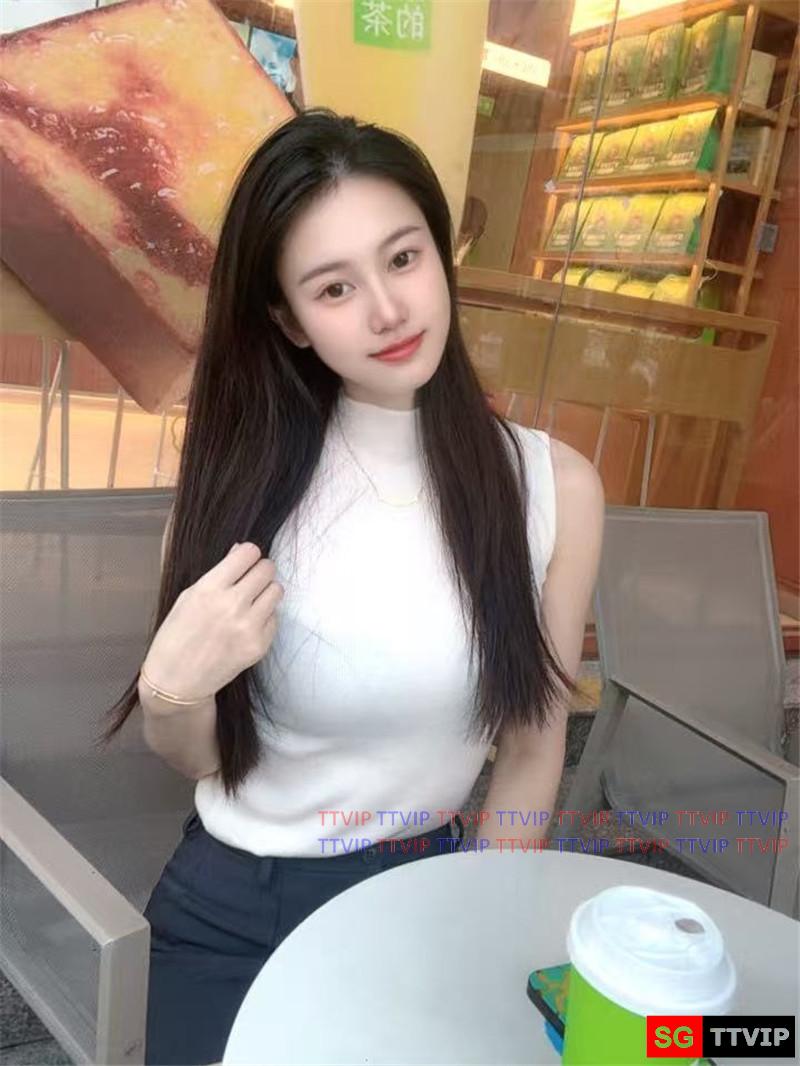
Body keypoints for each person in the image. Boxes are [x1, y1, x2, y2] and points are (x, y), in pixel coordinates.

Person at [99, 106, 604, 1066]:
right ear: (288, 320)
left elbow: (534, 750)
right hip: (237, 907)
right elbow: (202, 759)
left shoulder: (552, 489)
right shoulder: (241, 486)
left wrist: (477, 921)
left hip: (427, 891)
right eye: (335, 286)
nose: (388, 310)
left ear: (442, 255)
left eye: (403, 258)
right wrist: (169, 692)